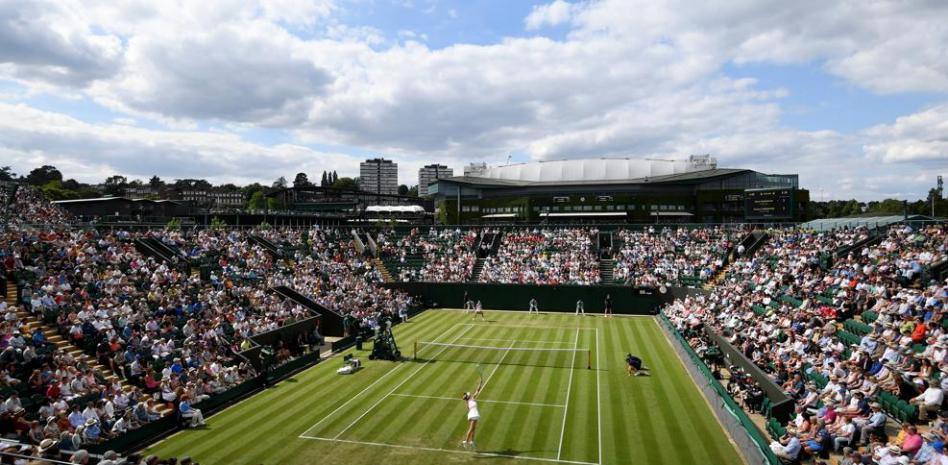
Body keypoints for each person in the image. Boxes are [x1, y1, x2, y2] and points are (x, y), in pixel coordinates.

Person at [461, 379, 483, 449]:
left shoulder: (469, 400)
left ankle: (472, 441)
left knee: (473, 428)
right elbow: (477, 390)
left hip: (473, 414)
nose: (469, 393)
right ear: (468, 396)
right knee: (471, 428)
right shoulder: (471, 399)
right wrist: (480, 384)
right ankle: (466, 442)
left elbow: (477, 390)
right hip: (473, 415)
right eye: (468, 394)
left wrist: (480, 383)